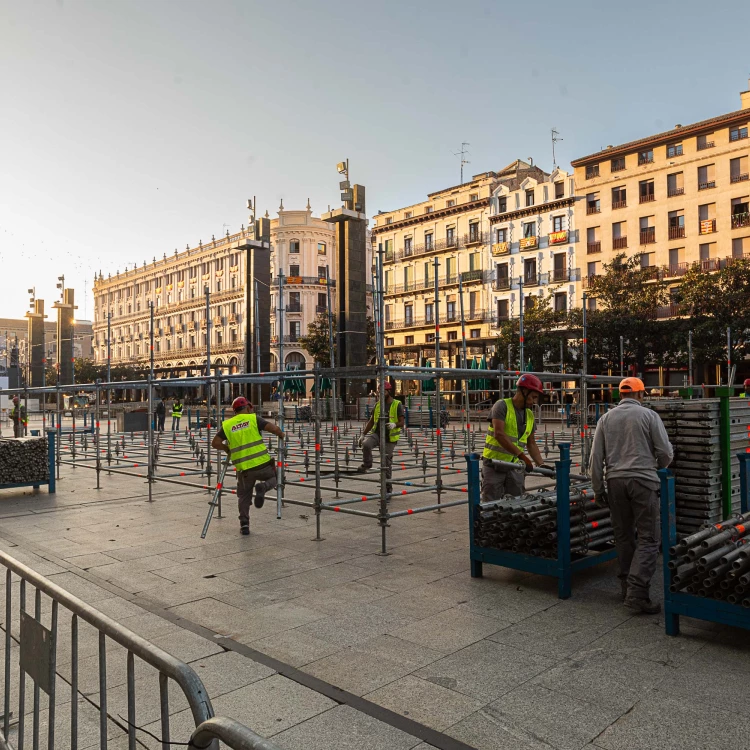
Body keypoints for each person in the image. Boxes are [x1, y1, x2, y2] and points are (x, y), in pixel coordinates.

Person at [589, 376, 673, 614]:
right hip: (643, 481)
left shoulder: (605, 419)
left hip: (615, 482)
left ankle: (627, 587)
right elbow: (665, 451)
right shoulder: (649, 416)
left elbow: (596, 458)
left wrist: (598, 489)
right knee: (648, 538)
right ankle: (637, 594)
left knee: (624, 536)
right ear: (640, 394)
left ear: (621, 395)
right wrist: (656, 468)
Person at [211, 396, 286, 535]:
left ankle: (244, 525)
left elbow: (215, 443)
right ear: (247, 407)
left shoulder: (227, 425)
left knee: (244, 496)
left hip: (244, 469)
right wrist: (281, 434)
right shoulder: (253, 419)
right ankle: (263, 487)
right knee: (277, 478)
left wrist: (227, 449)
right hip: (262, 465)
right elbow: (273, 429)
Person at [481, 374, 545, 501]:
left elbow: (531, 443)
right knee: (491, 504)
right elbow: (499, 434)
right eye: (533, 397)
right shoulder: (501, 406)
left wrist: (541, 464)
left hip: (515, 468)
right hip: (494, 465)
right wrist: (523, 457)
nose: (535, 401)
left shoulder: (530, 415)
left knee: (516, 505)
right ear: (524, 391)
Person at [357, 382, 404, 494]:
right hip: (377, 434)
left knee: (386, 461)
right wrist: (363, 434)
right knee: (366, 444)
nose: (381, 394)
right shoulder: (378, 405)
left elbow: (402, 422)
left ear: (389, 392)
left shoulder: (397, 404)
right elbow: (372, 420)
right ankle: (367, 464)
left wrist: (394, 424)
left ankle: (387, 486)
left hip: (389, 438)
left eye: (384, 392)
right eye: (379, 392)